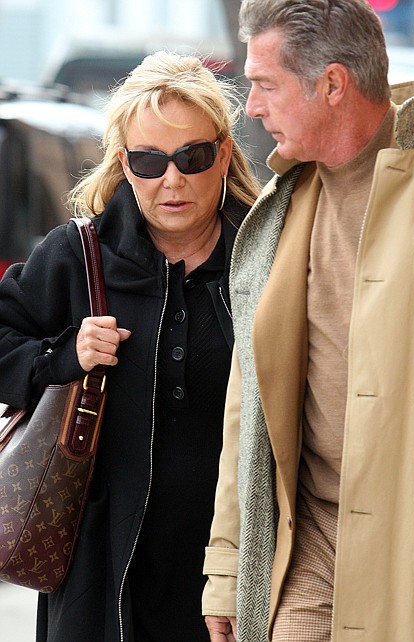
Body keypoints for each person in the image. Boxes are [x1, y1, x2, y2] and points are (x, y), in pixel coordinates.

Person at [202, 1, 414, 641]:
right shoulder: (278, 209)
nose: (252, 108)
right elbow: (250, 404)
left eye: (265, 85)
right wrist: (230, 570)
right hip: (307, 538)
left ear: (332, 84)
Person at [0, 50, 260, 641]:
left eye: (192, 157)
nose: (172, 180)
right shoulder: (78, 257)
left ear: (222, 154)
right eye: (149, 161)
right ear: (124, 163)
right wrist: (63, 356)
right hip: (102, 579)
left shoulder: (263, 255)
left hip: (232, 571)